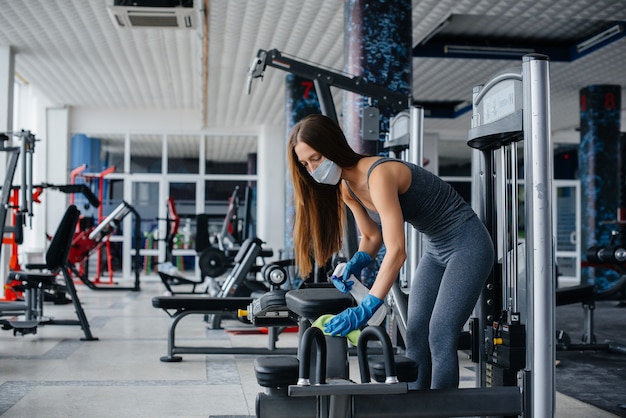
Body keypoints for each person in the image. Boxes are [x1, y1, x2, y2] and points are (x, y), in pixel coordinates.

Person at [288, 113, 494, 390]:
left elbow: (397, 250)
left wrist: (369, 305)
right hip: (435, 248)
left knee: (440, 334)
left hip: (467, 243)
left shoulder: (379, 174)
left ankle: (441, 411)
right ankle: (417, 405)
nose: (313, 169)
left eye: (315, 158)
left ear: (332, 146)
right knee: (416, 332)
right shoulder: (347, 187)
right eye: (305, 164)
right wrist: (357, 262)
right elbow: (372, 236)